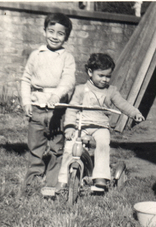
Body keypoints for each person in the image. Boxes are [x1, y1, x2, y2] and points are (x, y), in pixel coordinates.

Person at [56, 53, 145, 192]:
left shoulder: (111, 91)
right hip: (81, 125)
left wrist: (134, 113)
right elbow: (72, 109)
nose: (105, 79)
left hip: (100, 126)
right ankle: (63, 179)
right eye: (101, 75)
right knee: (69, 147)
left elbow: (122, 104)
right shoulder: (80, 90)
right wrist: (69, 127)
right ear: (90, 72)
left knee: (103, 144)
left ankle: (100, 177)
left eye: (108, 76)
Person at [20, 13, 75, 192]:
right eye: (51, 31)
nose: (54, 36)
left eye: (60, 34)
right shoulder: (36, 55)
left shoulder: (67, 57)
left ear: (66, 37)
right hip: (37, 108)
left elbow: (68, 81)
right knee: (35, 145)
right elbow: (26, 79)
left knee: (56, 147)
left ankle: (53, 181)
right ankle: (34, 176)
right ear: (44, 31)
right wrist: (26, 101)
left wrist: (57, 95)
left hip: (57, 109)